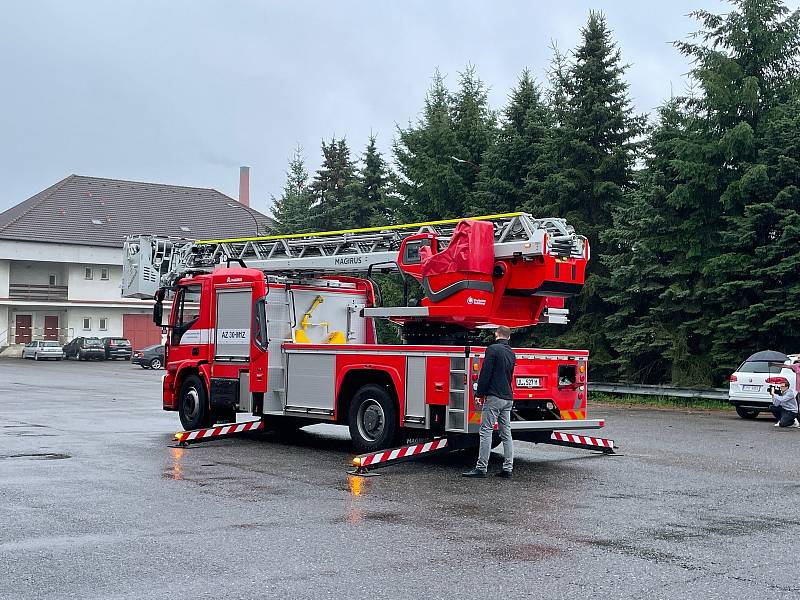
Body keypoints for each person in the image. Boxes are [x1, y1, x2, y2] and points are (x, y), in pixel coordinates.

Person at [463, 325, 516, 478]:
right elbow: (509, 375)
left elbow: (485, 373)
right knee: (506, 433)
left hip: (494, 397)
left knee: (486, 431)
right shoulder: (511, 353)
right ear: (509, 337)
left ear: (496, 334)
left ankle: (481, 468)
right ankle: (508, 468)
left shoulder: (492, 349)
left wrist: (479, 393)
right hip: (508, 398)